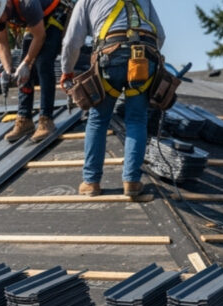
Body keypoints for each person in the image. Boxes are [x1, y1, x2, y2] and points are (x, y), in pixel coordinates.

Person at [60, 0, 165, 198]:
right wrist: (149, 58)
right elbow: (160, 34)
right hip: (144, 58)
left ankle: (91, 183)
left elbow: (72, 41)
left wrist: (67, 71)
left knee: (98, 119)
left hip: (110, 56)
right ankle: (132, 182)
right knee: (136, 119)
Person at [0, 0, 71, 143]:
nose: (1, 20)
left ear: (6, 4)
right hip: (35, 22)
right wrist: (8, 70)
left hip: (55, 12)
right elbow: (1, 42)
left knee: (43, 61)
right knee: (23, 67)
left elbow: (40, 36)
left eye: (1, 16)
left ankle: (46, 119)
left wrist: (27, 63)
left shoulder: (27, 3)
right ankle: (24, 118)